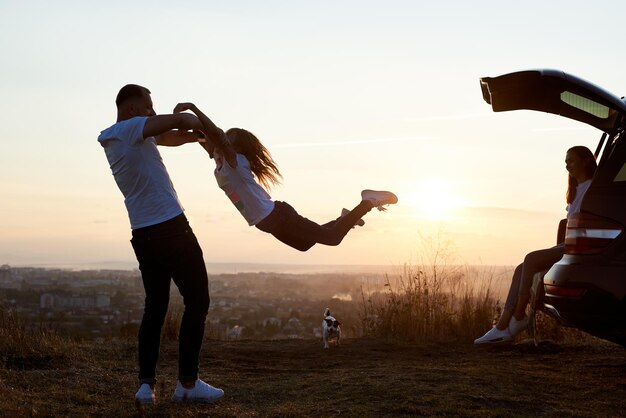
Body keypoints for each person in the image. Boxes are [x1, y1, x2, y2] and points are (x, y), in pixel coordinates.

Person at [98, 85, 229, 405]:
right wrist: (194, 117)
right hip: (171, 227)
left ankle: (146, 386)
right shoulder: (131, 128)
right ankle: (187, 383)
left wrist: (196, 137)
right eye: (148, 108)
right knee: (198, 301)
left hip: (143, 234)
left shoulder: (121, 138)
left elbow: (170, 136)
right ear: (131, 110)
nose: (153, 114)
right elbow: (175, 122)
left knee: (155, 307)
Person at [173, 103, 398, 251]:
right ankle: (345, 218)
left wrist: (194, 109)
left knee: (332, 239)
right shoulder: (220, 164)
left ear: (237, 146)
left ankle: (367, 201)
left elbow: (215, 134)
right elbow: (206, 139)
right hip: (267, 223)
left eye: (228, 139)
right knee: (305, 245)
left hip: (277, 216)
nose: (223, 142)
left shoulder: (236, 162)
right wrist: (191, 132)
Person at [474, 146, 597, 344]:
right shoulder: (575, 190)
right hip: (566, 244)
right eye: (565, 162)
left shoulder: (593, 188)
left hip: (578, 245)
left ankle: (513, 319)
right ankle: (505, 325)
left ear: (586, 161)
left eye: (571, 161)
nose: (567, 166)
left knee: (531, 258)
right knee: (522, 269)